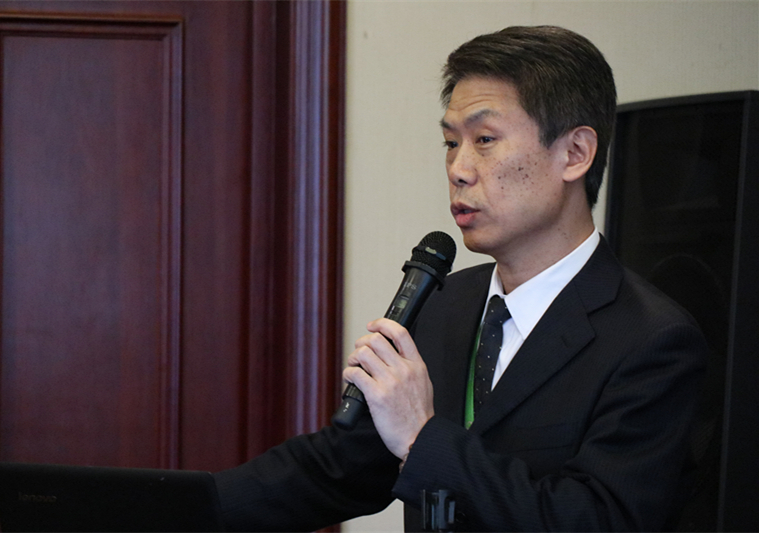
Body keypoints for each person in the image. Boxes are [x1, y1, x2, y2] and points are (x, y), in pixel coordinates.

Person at [214, 25, 707, 532]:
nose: (458, 168)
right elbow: (340, 468)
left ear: (575, 153)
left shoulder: (653, 341)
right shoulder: (445, 304)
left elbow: (595, 519)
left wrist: (421, 438)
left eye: (485, 140)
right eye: (451, 142)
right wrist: (184, 505)